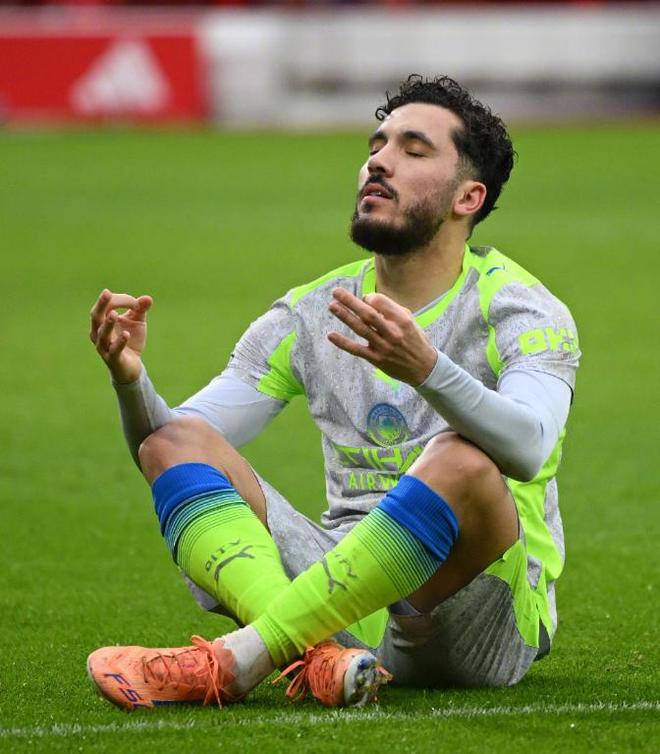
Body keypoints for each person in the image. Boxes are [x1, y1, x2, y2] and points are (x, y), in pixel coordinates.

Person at [87, 74, 580, 711]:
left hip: (476, 617)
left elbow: (531, 447)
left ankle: (246, 657)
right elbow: (167, 445)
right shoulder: (311, 310)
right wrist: (130, 381)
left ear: (469, 197)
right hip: (343, 601)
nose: (379, 161)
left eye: (413, 149)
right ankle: (316, 656)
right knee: (175, 442)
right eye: (376, 145)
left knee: (461, 459)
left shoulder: (520, 309)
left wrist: (427, 369)